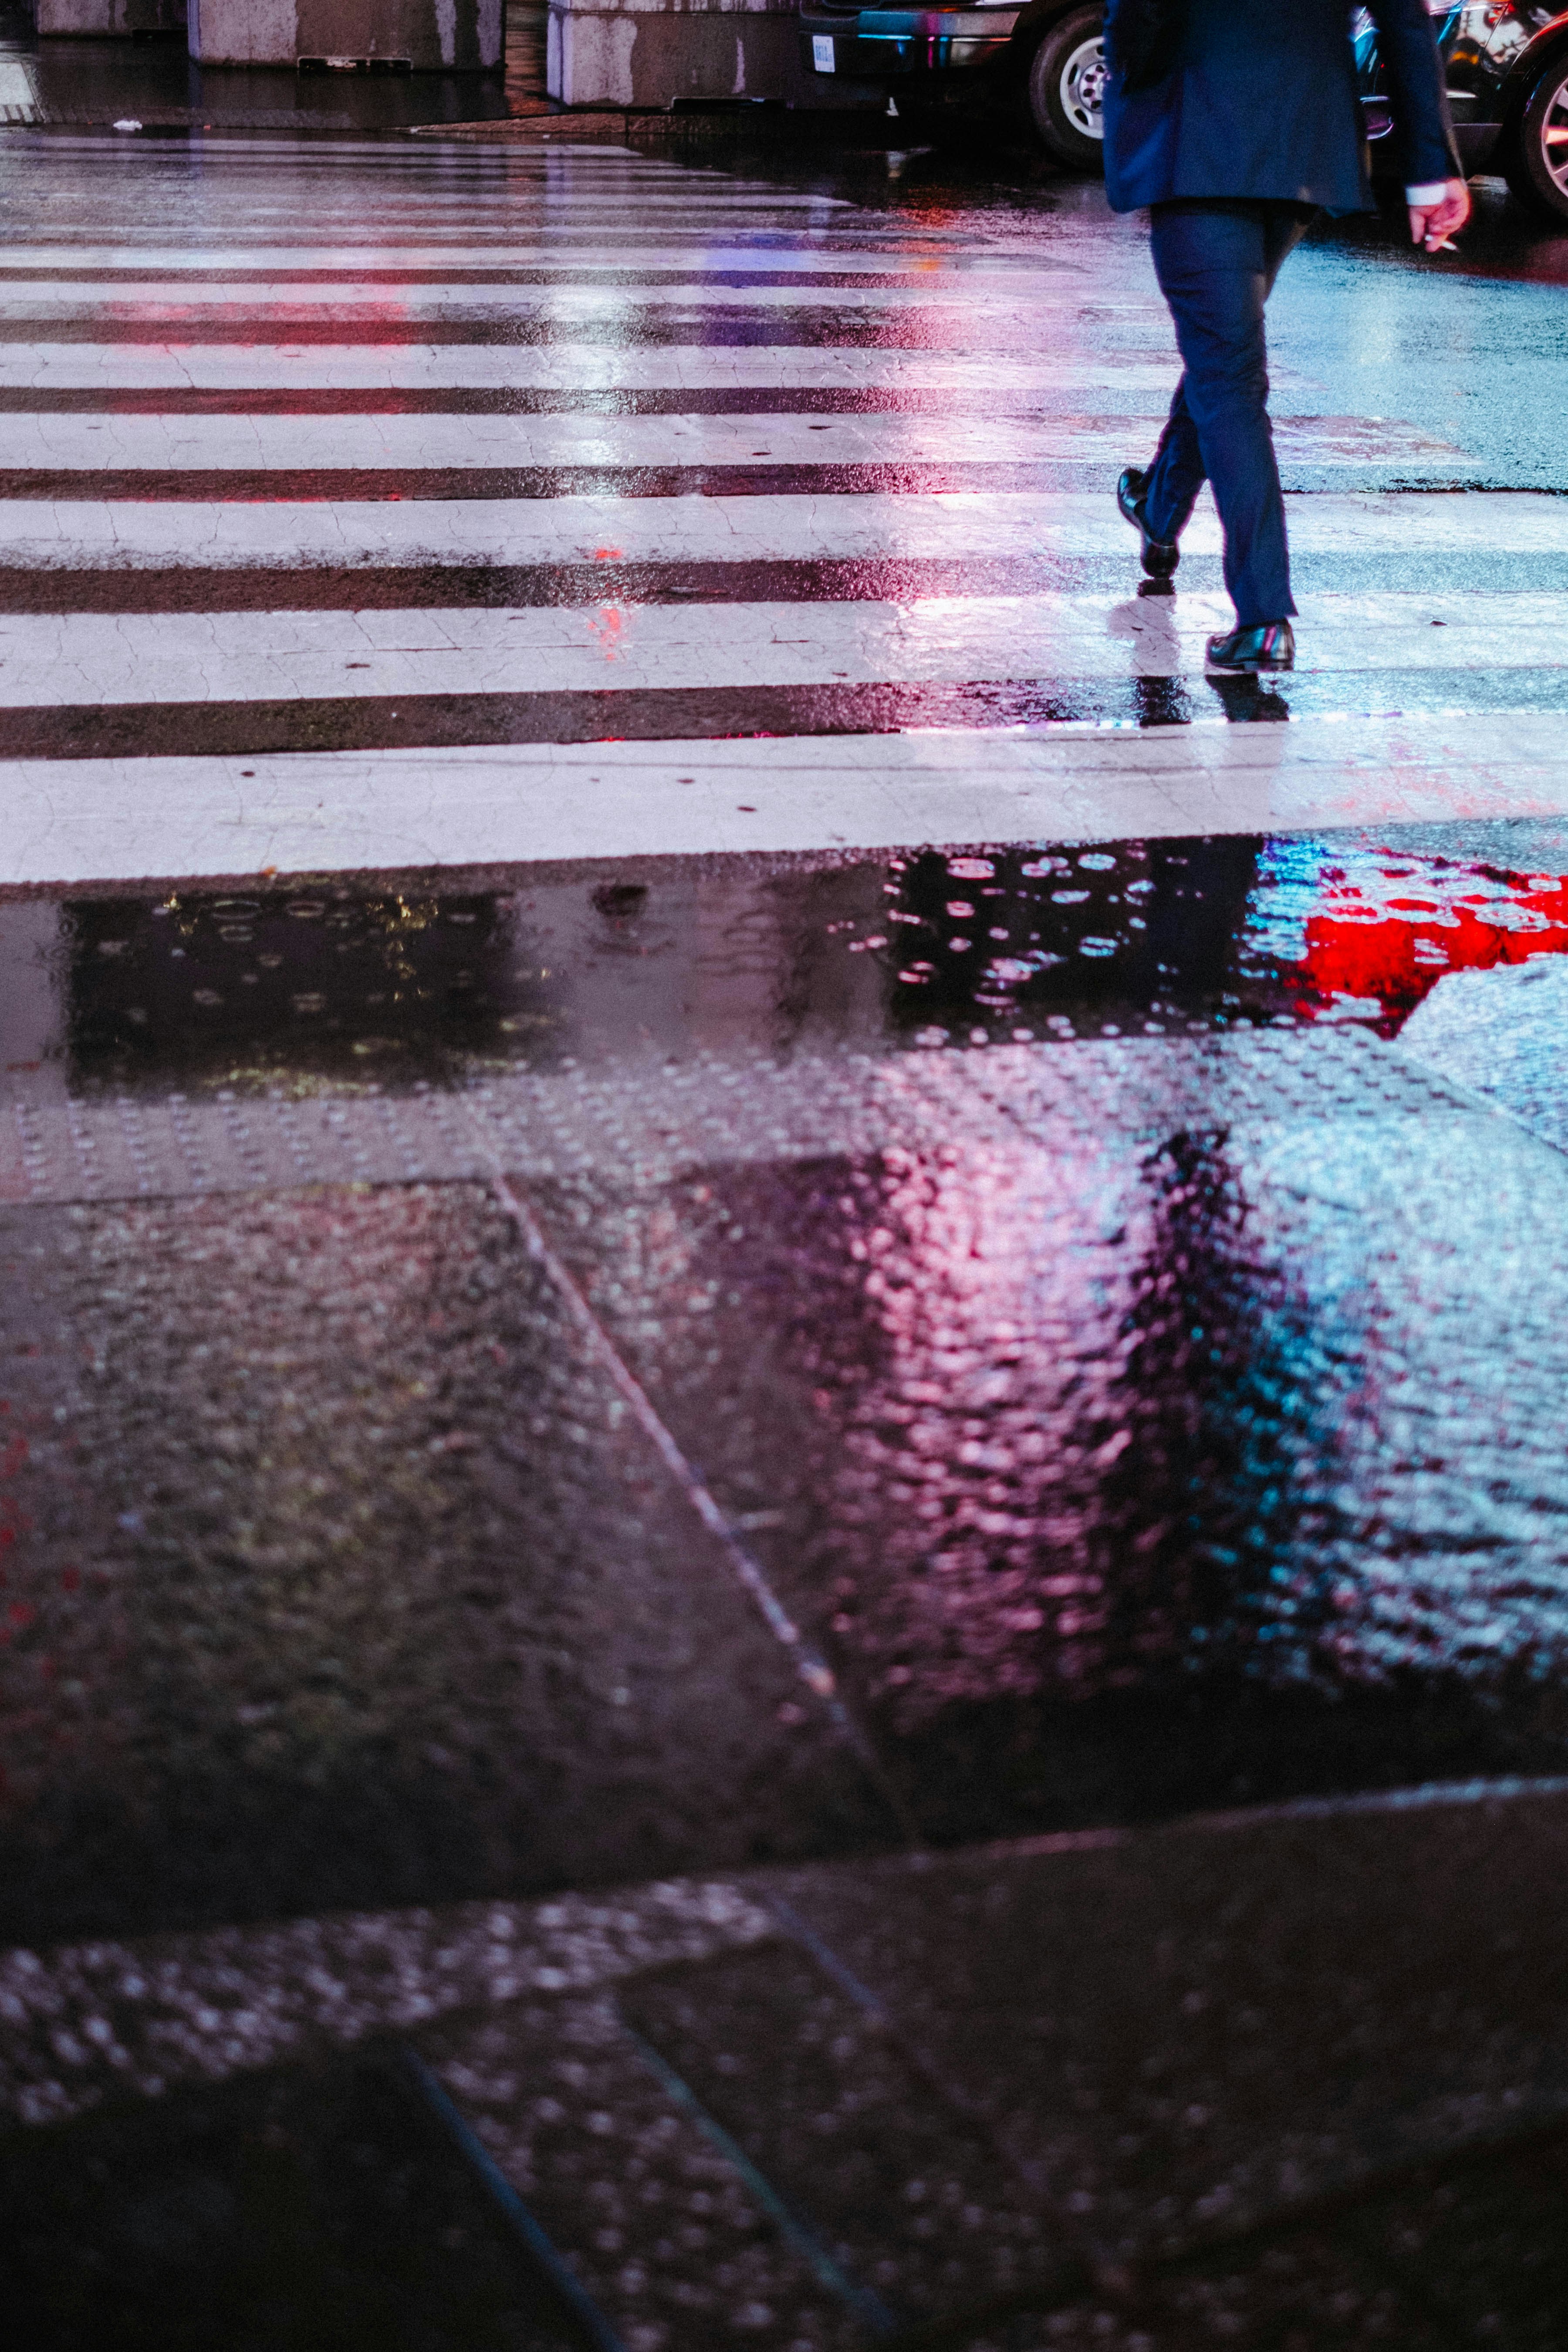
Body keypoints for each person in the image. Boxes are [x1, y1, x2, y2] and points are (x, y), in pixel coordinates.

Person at [1103, 0, 1470, 676]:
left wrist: (1130, 65)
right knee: (1225, 357)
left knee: (1227, 372)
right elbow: (1405, 17)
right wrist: (1431, 166)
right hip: (1306, 138)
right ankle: (1159, 507)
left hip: (1199, 127)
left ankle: (1264, 616)